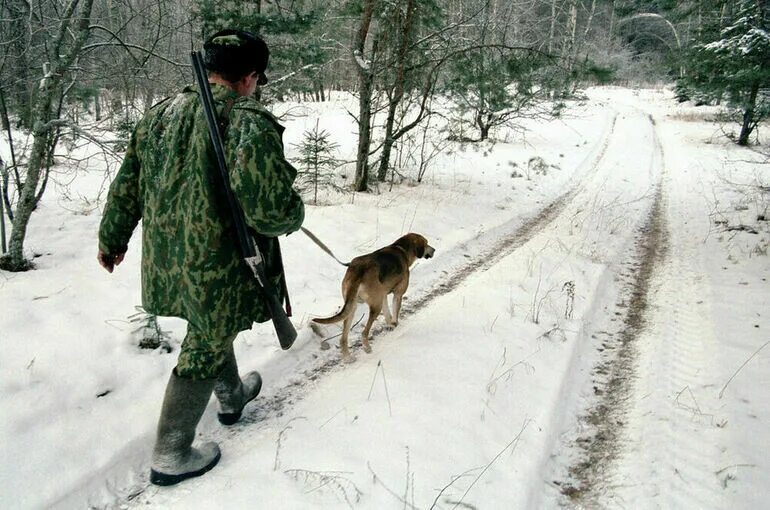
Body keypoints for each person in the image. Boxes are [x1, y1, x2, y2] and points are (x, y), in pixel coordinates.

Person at [97, 29, 304, 486]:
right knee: (205, 341)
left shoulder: (159, 115)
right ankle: (171, 453)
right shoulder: (247, 119)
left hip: (170, 257)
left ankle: (230, 396)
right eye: (257, 78)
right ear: (249, 77)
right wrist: (295, 213)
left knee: (211, 327)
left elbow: (126, 185)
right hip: (220, 263)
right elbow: (269, 212)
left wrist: (112, 238)